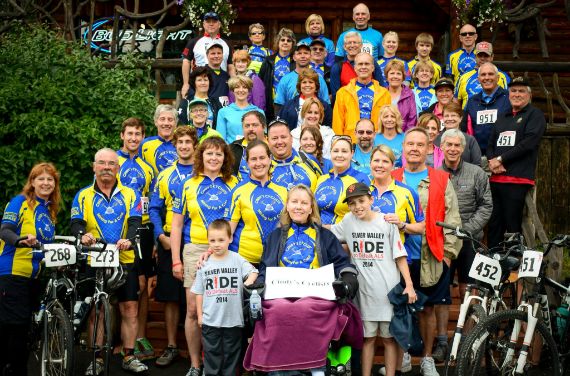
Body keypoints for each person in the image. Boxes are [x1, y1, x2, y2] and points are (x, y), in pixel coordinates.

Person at [250, 184, 359, 374]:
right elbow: (265, 268)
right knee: (277, 311)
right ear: (287, 206)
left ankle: (315, 367)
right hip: (280, 293)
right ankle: (278, 370)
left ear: (311, 208)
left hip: (315, 294)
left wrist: (348, 278)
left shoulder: (325, 235)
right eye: (294, 202)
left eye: (303, 203)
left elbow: (342, 263)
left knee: (306, 309)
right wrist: (259, 283)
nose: (298, 207)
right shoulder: (275, 236)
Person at [392, 127, 461, 376]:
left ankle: (428, 358)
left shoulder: (440, 179)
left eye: (420, 145)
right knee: (400, 307)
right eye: (410, 144)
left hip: (431, 255)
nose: (414, 148)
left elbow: (453, 220)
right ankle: (404, 356)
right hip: (398, 257)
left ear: (428, 149)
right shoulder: (392, 176)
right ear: (403, 148)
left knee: (428, 309)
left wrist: (447, 256)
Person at [71, 148, 146, 374]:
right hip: (95, 258)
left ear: (118, 168)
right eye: (101, 163)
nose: (106, 167)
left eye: (111, 164)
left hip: (124, 258)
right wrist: (82, 234)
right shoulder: (82, 195)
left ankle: (129, 355)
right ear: (94, 166)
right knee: (97, 311)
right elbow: (75, 223)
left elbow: (136, 223)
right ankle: (98, 359)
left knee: (130, 308)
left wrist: (130, 240)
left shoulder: (132, 193)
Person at [330, 182, 416, 376]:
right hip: (363, 293)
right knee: (367, 339)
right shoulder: (348, 221)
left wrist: (409, 285)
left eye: (361, 200)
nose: (357, 206)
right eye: (352, 203)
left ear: (371, 199)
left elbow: (399, 256)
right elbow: (329, 232)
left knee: (388, 340)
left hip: (387, 292)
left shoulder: (386, 222)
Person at [170, 136, 239, 376]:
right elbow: (176, 225)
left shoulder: (235, 183)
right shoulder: (188, 184)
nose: (213, 158)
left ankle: (220, 364)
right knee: (192, 310)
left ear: (225, 158)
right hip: (195, 249)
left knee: (223, 308)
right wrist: (176, 260)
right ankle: (195, 365)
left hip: (226, 252)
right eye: (209, 153)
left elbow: (235, 222)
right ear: (201, 156)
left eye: (219, 154)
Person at [0, 163, 61, 376]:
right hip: (11, 274)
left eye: (50, 180)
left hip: (33, 277)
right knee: (16, 330)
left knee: (25, 331)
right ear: (32, 182)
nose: (46, 183)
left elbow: (46, 246)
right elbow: (5, 231)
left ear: (55, 184)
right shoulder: (20, 202)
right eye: (41, 179)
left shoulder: (49, 211)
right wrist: (20, 240)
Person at [370, 145, 425, 376]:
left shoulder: (406, 192)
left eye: (385, 161)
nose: (380, 165)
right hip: (367, 264)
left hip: (397, 263)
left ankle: (399, 365)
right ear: (370, 163)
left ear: (393, 166)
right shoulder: (362, 189)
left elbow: (421, 227)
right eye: (376, 160)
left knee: (396, 321)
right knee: (369, 326)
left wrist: (401, 224)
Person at [148, 126, 199, 369]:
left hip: (197, 240)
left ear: (195, 145)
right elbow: (154, 208)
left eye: (189, 142)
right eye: (180, 142)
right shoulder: (164, 174)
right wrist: (160, 236)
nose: (184, 146)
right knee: (170, 297)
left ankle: (196, 351)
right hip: (170, 239)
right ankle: (170, 345)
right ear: (175, 145)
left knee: (197, 297)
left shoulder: (203, 172)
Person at [192, 219, 259, 376]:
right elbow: (199, 292)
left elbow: (254, 272)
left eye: (221, 240)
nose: (217, 244)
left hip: (233, 320)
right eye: (212, 240)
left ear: (230, 239)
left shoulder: (236, 259)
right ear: (208, 241)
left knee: (231, 356)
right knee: (211, 355)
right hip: (210, 320)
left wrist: (246, 284)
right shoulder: (204, 264)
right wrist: (200, 316)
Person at [486, 77, 546, 249]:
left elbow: (528, 143)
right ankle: (494, 262)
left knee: (512, 226)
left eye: (521, 91)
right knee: (494, 226)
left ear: (529, 95)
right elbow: (491, 143)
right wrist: (492, 161)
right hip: (496, 179)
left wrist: (501, 159)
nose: (516, 94)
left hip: (517, 180)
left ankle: (512, 267)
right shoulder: (503, 116)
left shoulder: (535, 115)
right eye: (513, 91)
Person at [117, 117, 156, 359]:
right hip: (118, 231)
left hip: (142, 230)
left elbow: (150, 202)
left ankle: (139, 337)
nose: (133, 138)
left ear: (143, 137)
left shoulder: (147, 167)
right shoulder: (113, 161)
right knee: (119, 286)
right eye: (129, 133)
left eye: (138, 134)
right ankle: (118, 340)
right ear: (122, 135)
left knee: (143, 287)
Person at [439, 129, 492, 301]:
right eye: (449, 145)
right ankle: (441, 329)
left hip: (470, 240)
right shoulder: (435, 175)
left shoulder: (477, 173)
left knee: (469, 287)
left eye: (457, 145)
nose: (453, 149)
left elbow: (486, 206)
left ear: (462, 149)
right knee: (442, 290)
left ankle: (471, 328)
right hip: (444, 241)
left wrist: (467, 229)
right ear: (442, 147)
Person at [228, 140, 289, 264]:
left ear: (270, 158)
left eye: (262, 158)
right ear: (247, 162)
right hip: (245, 261)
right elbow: (228, 231)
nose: (258, 163)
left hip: (277, 260)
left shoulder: (284, 190)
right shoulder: (238, 191)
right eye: (253, 159)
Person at [333, 52, 391, 141]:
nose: (363, 67)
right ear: (355, 68)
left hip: (377, 142)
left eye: (367, 64)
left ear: (373, 68)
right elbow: (338, 123)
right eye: (360, 64)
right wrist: (340, 143)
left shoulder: (384, 93)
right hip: (351, 142)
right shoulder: (343, 93)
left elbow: (388, 122)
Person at [315, 136, 371, 225]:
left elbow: (366, 214)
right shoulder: (322, 179)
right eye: (336, 151)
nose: (339, 155)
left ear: (352, 153)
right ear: (330, 153)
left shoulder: (360, 178)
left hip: (346, 236)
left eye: (344, 151)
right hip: (320, 235)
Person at [460, 62, 512, 156]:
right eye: (483, 75)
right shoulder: (472, 101)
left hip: (502, 156)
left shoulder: (509, 98)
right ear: (478, 79)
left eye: (490, 74)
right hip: (477, 155)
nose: (487, 77)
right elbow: (465, 127)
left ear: (498, 77)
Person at [181, 11, 234, 98]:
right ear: (204, 24)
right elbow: (186, 62)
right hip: (199, 84)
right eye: (208, 22)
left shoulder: (227, 43)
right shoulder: (194, 42)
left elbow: (230, 66)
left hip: (221, 84)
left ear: (219, 24)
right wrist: (186, 84)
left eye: (214, 22)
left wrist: (234, 83)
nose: (211, 24)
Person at [274, 42, 330, 113]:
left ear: (310, 56)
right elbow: (279, 106)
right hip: (291, 121)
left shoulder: (319, 78)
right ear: (294, 57)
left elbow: (326, 105)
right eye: (299, 53)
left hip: (314, 120)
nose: (303, 56)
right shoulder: (285, 79)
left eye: (306, 53)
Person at [330, 32, 385, 103]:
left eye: (355, 42)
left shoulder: (372, 63)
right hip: (347, 109)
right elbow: (336, 96)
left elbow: (381, 88)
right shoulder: (337, 67)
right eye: (349, 43)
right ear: (344, 46)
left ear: (361, 45)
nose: (352, 45)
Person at [267, 120, 320, 191]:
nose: (279, 142)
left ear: (291, 138)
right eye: (275, 138)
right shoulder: (264, 168)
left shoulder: (309, 160)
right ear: (268, 141)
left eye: (283, 137)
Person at [455, 41, 510, 109]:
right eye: (480, 55)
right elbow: (456, 102)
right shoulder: (463, 77)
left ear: (492, 57)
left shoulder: (503, 77)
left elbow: (508, 99)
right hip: (469, 117)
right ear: (475, 57)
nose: (483, 58)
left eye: (486, 55)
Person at [258, 28, 296, 121]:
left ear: (292, 44)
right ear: (278, 42)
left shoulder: (296, 62)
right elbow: (260, 82)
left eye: (289, 40)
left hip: (290, 101)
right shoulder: (268, 60)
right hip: (271, 102)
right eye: (282, 40)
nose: (285, 42)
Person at [217, 76, 264, 144]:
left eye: (244, 87)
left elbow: (263, 138)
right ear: (233, 90)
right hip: (231, 152)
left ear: (249, 90)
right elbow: (221, 141)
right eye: (237, 87)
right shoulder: (223, 112)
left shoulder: (259, 112)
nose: (241, 90)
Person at [140, 104, 178, 175]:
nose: (166, 123)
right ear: (156, 122)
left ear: (176, 123)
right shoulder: (145, 144)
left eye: (170, 120)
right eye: (162, 119)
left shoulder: (183, 145)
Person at [230, 110, 267, 178]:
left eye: (254, 125)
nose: (250, 129)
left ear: (264, 127)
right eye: (247, 126)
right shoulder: (233, 148)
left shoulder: (273, 146)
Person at [385, 59, 417, 132]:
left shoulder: (409, 94)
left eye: (398, 73)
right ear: (387, 76)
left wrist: (405, 137)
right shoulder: (381, 93)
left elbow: (412, 119)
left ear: (403, 77)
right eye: (392, 73)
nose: (395, 76)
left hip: (403, 137)